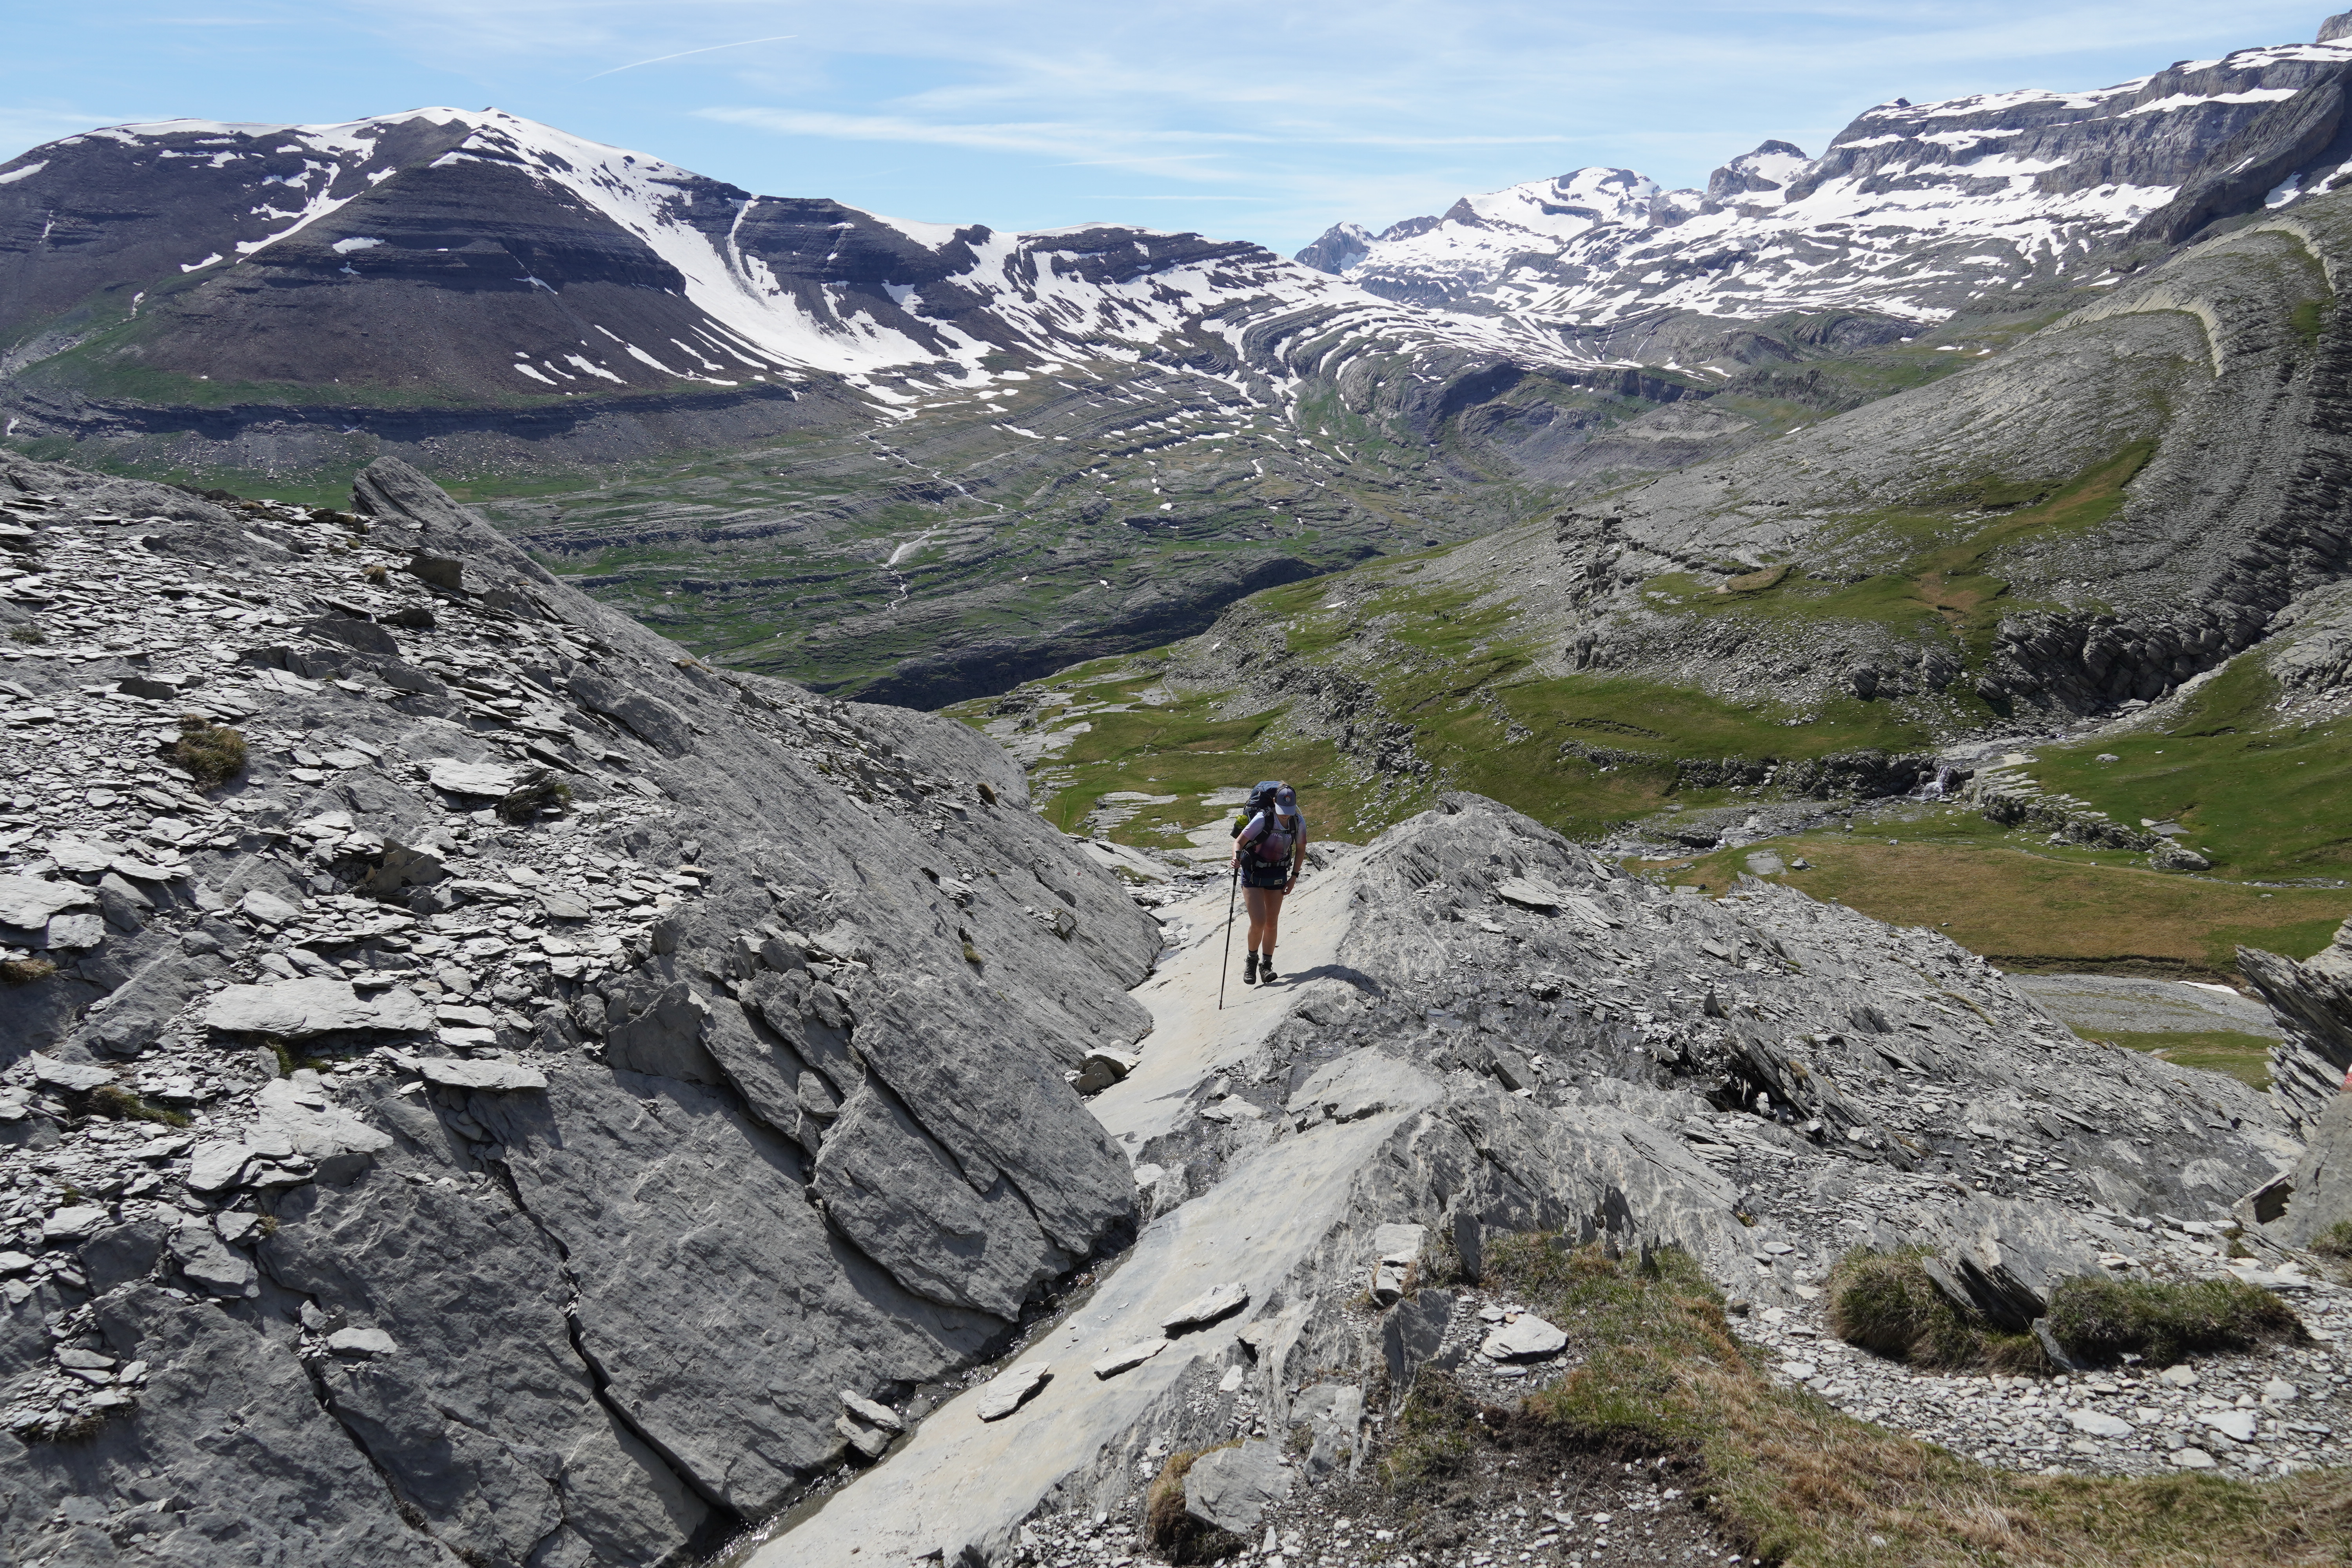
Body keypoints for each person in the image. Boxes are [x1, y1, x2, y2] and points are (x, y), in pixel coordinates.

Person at [1233, 781, 1305, 985]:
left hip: (1278, 874)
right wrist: (1235, 857)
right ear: (1274, 802)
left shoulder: (1298, 822)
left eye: (1289, 811)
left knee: (1272, 923)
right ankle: (1251, 961)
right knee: (1259, 922)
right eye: (1282, 810)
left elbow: (1301, 849)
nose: (1286, 815)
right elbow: (1239, 842)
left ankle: (1266, 967)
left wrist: (1294, 877)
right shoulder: (1262, 819)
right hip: (1253, 874)